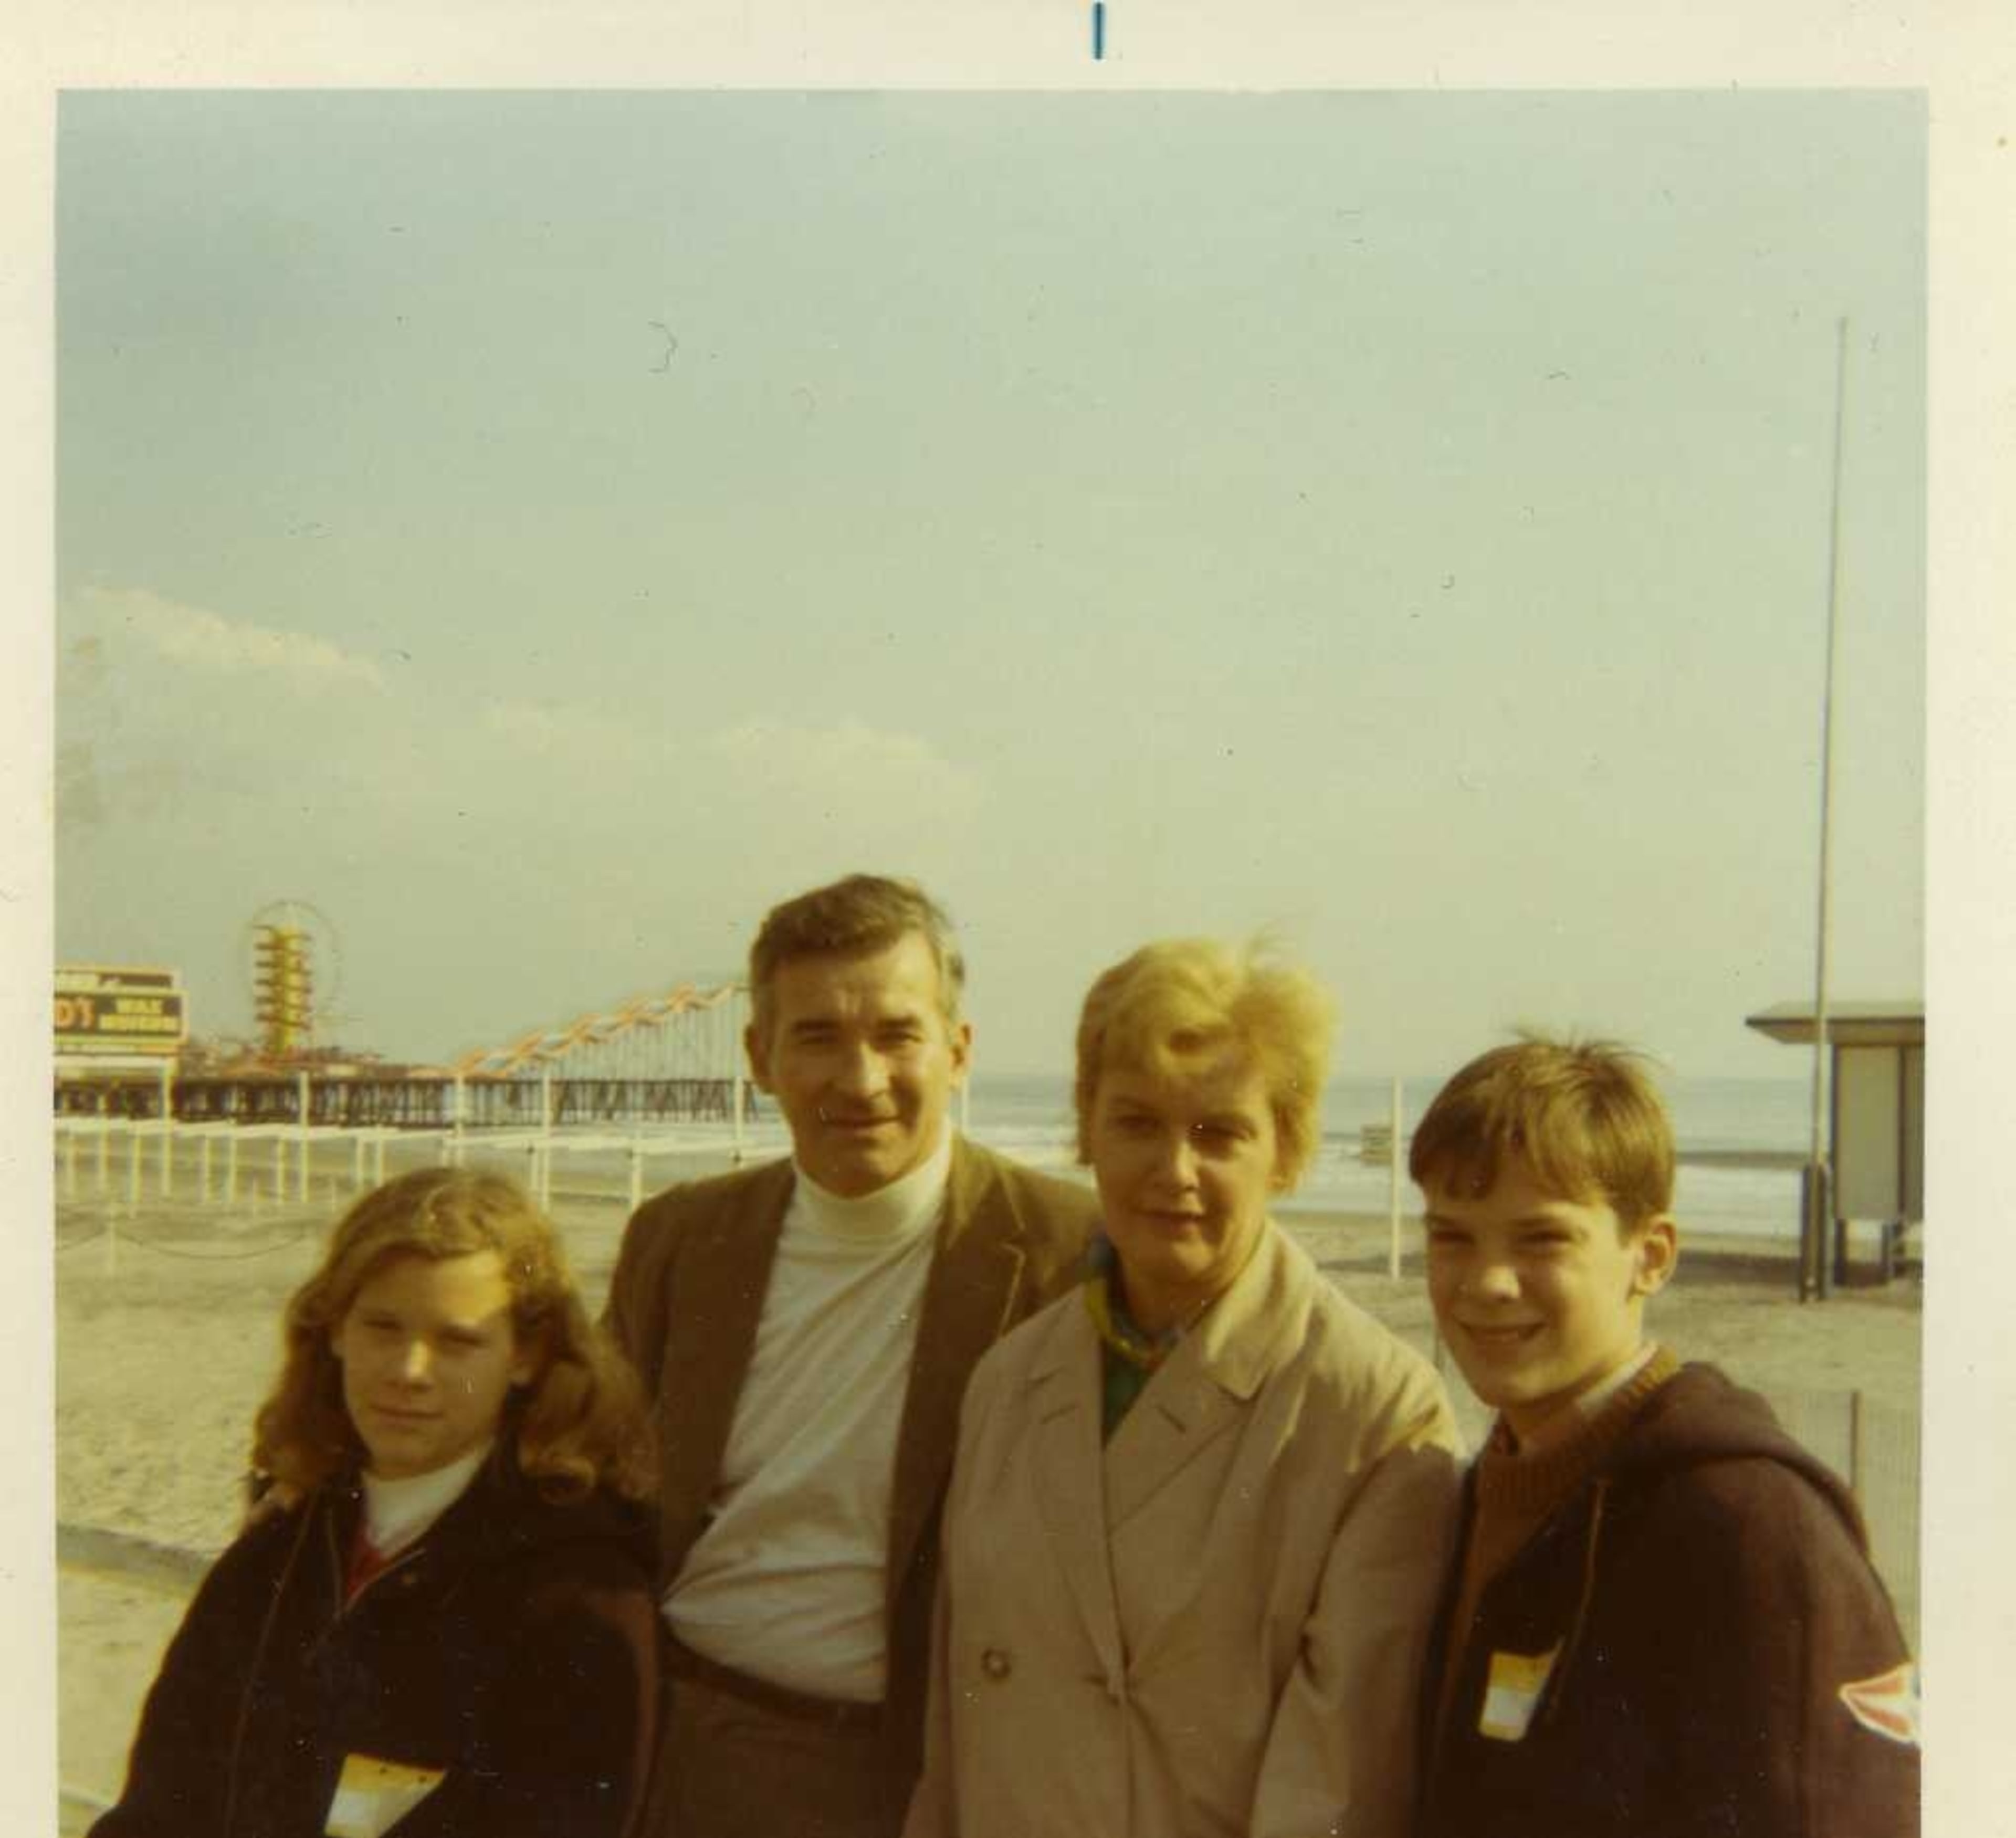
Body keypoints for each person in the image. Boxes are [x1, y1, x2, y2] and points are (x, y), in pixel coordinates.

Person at [901, 938, 1464, 1838]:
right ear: (1087, 1128)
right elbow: (954, 1739)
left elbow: (1336, 1792)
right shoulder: (1009, 1378)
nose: (1175, 1171)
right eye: (1136, 1122)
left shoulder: (1378, 1414)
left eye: (1218, 1133)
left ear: (1286, 1150)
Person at [605, 874, 1098, 1838]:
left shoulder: (1065, 1253)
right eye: (819, 1037)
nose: (861, 1079)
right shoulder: (677, 1241)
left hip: (925, 1768)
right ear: (760, 1055)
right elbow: (586, 1488)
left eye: (896, 1035)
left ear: (958, 1052)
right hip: (686, 1748)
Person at [1408, 1036, 1920, 1838]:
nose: (1486, 1283)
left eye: (1542, 1238)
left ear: (1651, 1256)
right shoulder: (1477, 1494)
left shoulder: (1752, 1523)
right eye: (1453, 1236)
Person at [92, 1166, 662, 1838]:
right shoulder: (276, 1554)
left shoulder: (579, 1596)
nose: (409, 1371)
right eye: (383, 1327)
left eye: (457, 1340)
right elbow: (160, 1803)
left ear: (527, 1356)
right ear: (334, 1331)